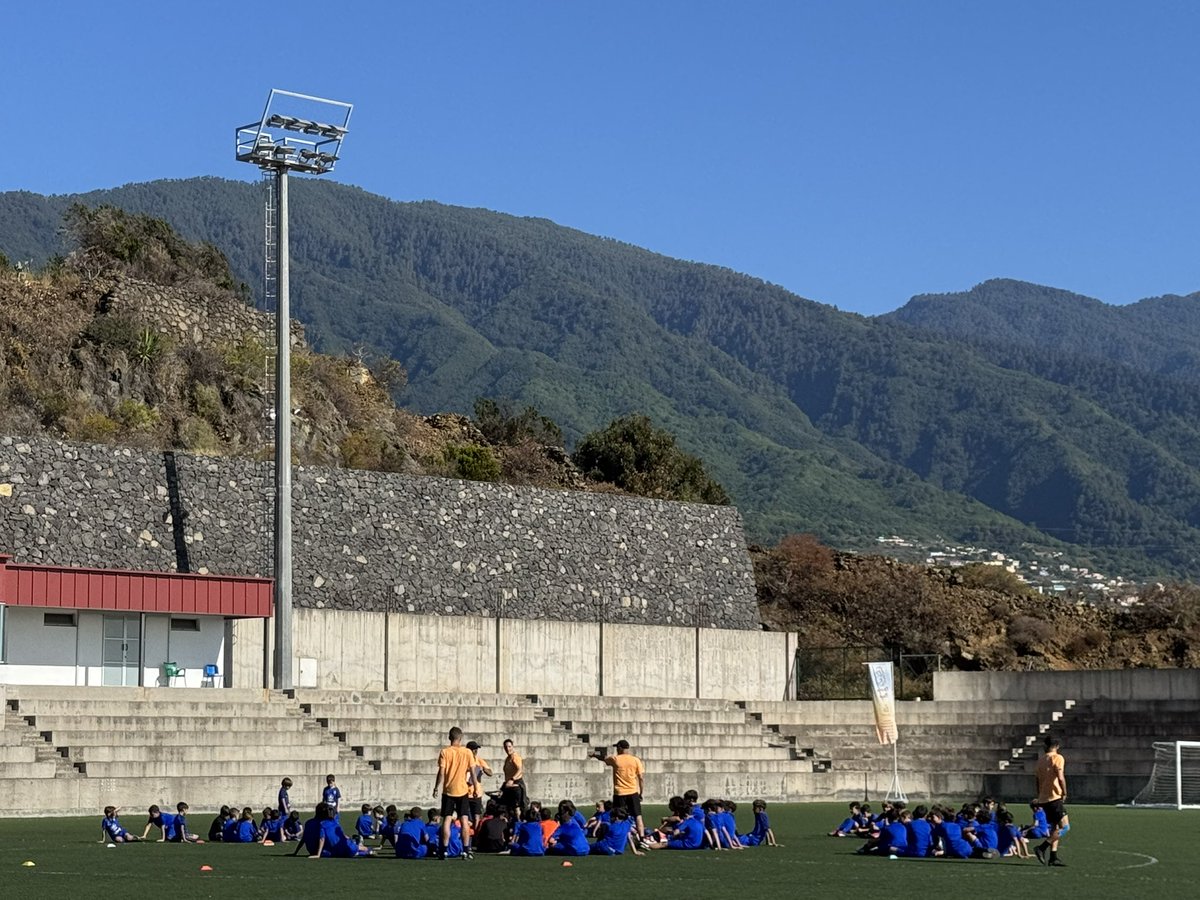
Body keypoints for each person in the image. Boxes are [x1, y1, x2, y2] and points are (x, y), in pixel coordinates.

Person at [433, 727, 475, 860]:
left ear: (449, 737)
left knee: (447, 819)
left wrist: (436, 787)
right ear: (460, 738)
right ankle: (466, 850)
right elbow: (473, 771)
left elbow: (441, 772)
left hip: (448, 790)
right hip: (462, 790)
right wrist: (475, 787)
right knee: (464, 820)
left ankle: (444, 850)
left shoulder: (445, 752)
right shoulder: (467, 752)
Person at [598, 739, 646, 842]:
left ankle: (616, 836)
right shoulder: (636, 760)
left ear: (620, 748)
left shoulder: (616, 759)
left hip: (620, 793)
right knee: (638, 816)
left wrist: (595, 756)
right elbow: (641, 778)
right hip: (633, 792)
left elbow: (604, 759)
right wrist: (641, 793)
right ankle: (642, 838)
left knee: (617, 816)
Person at [1034, 735, 1068, 867]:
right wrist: (1064, 792)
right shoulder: (1057, 758)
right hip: (1054, 797)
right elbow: (1060, 776)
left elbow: (1037, 780)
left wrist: (1039, 795)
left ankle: (1053, 857)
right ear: (1057, 746)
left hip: (1044, 798)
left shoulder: (1041, 760)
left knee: (1054, 827)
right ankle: (1041, 848)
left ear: (1045, 745)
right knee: (1065, 827)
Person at [466, 741, 493, 825]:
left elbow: (490, 773)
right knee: (466, 817)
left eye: (476, 749)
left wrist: (484, 769)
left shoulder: (479, 761)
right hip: (465, 792)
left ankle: (476, 831)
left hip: (476, 793)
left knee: (476, 816)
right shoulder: (463, 761)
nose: (475, 751)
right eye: (473, 749)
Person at [500, 739, 525, 816]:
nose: (508, 749)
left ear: (512, 747)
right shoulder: (508, 758)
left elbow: (520, 770)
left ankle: (518, 820)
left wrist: (512, 779)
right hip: (508, 784)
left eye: (509, 746)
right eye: (506, 747)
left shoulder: (515, 757)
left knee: (516, 806)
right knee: (507, 806)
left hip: (516, 783)